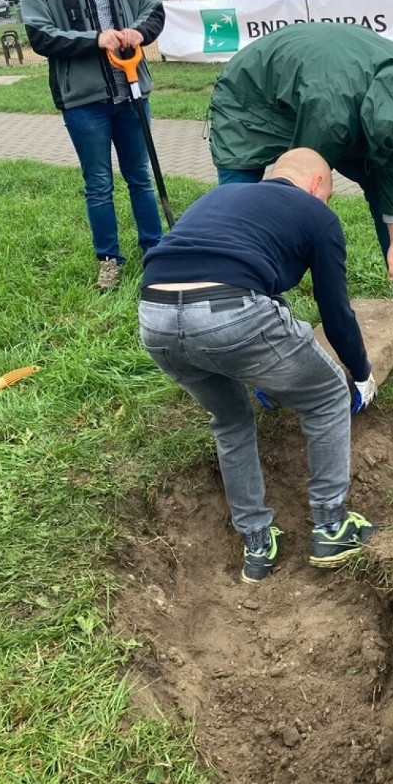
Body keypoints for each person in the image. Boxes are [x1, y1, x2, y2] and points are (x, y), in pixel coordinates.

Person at [138, 148, 378, 584]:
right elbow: (336, 311)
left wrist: (266, 367)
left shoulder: (224, 197)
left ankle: (257, 544)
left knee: (229, 420)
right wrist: (360, 373)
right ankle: (331, 526)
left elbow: (241, 269)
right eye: (326, 197)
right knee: (326, 395)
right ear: (315, 186)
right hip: (229, 312)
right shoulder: (314, 212)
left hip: (154, 316)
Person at [208, 24, 393, 315]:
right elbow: (301, 196)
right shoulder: (332, 116)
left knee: (378, 174)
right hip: (249, 96)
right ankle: (236, 293)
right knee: (240, 200)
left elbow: (391, 172)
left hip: (320, 92)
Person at [21, 0, 166, 291]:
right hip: (84, 101)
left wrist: (139, 31)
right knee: (99, 183)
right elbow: (40, 35)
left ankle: (155, 250)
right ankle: (109, 259)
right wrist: (94, 40)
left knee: (140, 176)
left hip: (132, 89)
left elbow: (154, 9)